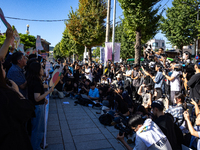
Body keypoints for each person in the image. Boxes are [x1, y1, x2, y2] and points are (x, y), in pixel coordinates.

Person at [0, 23, 35, 150]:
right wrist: (17, 91)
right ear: (19, 61)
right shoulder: (7, 94)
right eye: (1, 67)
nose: (4, 68)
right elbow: (27, 108)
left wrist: (8, 40)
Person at [27, 62, 54, 150]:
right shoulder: (37, 82)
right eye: (41, 68)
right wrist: (48, 92)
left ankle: (36, 145)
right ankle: (36, 147)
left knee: (36, 128)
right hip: (37, 107)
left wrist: (44, 98)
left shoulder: (33, 80)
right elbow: (37, 98)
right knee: (38, 129)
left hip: (35, 106)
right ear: (37, 70)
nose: (43, 70)